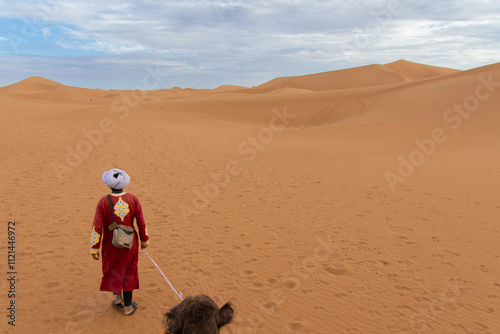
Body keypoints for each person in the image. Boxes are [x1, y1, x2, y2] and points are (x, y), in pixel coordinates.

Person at [90, 168, 150, 316]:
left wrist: (94, 247)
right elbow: (141, 222)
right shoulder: (133, 199)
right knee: (128, 270)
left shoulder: (103, 202)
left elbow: (97, 226)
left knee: (113, 267)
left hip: (111, 242)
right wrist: (144, 239)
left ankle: (118, 299)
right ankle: (128, 307)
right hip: (130, 242)